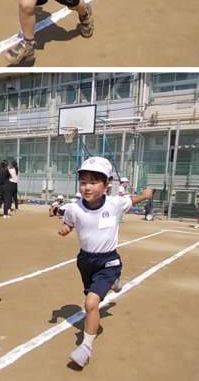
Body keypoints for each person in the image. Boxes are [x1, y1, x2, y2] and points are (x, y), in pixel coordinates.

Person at [58, 156, 153, 368]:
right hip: (85, 261)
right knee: (92, 297)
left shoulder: (115, 203)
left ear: (106, 184)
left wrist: (145, 195)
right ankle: (113, 283)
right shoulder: (74, 208)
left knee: (91, 304)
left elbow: (132, 200)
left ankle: (85, 348)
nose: (87, 187)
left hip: (109, 260)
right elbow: (69, 223)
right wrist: (65, 229)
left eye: (93, 182)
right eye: (83, 182)